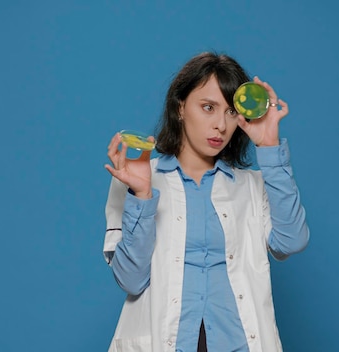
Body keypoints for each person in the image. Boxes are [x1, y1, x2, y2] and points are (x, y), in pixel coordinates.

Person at [103, 52, 310, 352]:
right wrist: (143, 196)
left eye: (229, 112)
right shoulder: (136, 175)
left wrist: (269, 147)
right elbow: (131, 281)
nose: (221, 126)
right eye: (208, 107)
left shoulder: (251, 185)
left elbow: (291, 242)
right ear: (180, 108)